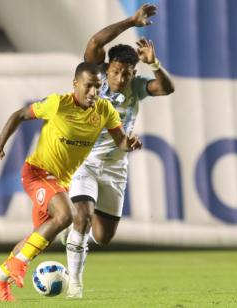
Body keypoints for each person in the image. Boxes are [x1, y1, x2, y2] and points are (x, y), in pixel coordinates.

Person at [0, 62, 142, 302]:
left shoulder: (104, 109)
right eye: (88, 86)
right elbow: (19, 115)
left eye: (98, 87)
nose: (93, 92)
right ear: (75, 84)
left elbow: (120, 141)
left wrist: (129, 143)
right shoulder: (58, 103)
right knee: (66, 215)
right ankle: (18, 264)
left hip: (61, 181)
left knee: (38, 239)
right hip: (37, 172)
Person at [64, 3, 175, 299]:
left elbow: (166, 88)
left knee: (102, 237)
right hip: (84, 162)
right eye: (116, 72)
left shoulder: (137, 86)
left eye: (126, 73)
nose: (120, 79)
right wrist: (131, 21)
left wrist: (154, 64)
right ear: (107, 68)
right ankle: (74, 284)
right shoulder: (95, 79)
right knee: (84, 216)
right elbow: (95, 43)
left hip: (115, 167)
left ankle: (76, 234)